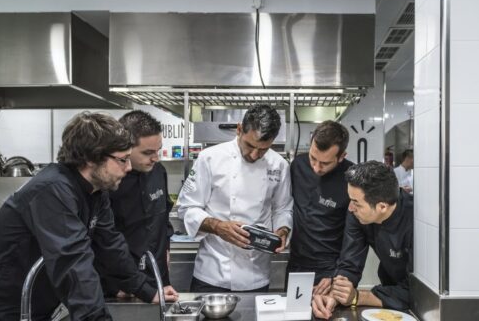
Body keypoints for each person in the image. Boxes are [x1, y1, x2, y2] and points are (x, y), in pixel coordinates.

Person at [0, 112, 162, 321]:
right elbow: (73, 263)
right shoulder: (52, 190)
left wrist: (146, 289)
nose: (128, 167)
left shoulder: (97, 190)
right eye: (122, 160)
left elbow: (110, 245)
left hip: (35, 310)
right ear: (91, 158)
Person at [177, 104, 293, 292]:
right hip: (212, 272)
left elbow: (283, 209)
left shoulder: (279, 165)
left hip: (257, 275)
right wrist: (218, 227)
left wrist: (282, 231)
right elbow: (186, 209)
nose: (255, 155)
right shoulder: (209, 158)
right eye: (250, 145)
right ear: (239, 129)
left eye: (263, 149)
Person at [312, 161, 413, 319]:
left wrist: (357, 297)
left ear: (382, 207)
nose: (350, 208)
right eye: (350, 200)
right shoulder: (357, 214)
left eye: (356, 203)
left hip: (414, 300)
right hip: (389, 290)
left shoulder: (416, 223)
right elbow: (349, 263)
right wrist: (336, 293)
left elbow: (414, 292)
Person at [97, 110, 179, 303]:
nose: (155, 158)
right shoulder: (108, 182)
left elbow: (163, 217)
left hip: (157, 281)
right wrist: (110, 286)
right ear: (125, 147)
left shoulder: (159, 171)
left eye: (158, 150)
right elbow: (99, 241)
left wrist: (165, 257)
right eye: (148, 153)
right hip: (121, 287)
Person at [286, 121, 354, 295]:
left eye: (324, 163)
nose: (316, 167)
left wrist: (339, 274)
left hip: (328, 269)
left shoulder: (352, 179)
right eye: (313, 158)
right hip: (296, 263)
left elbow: (355, 236)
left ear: (341, 156)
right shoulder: (298, 165)